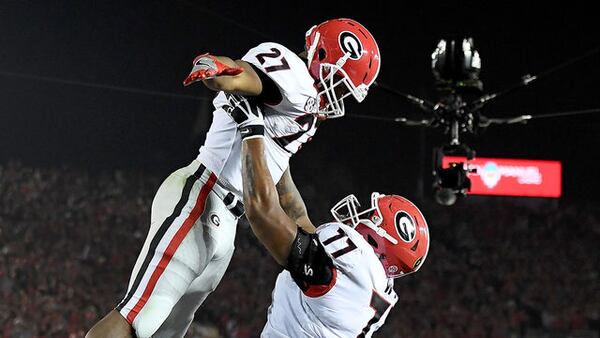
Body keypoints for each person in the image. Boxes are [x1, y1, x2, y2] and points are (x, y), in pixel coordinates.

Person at [86, 18, 381, 338]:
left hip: (226, 221)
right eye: (339, 83)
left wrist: (316, 244)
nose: (339, 95)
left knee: (165, 334)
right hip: (203, 195)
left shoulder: (299, 111)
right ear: (322, 56)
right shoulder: (294, 76)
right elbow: (243, 74)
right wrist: (218, 68)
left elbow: (283, 186)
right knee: (137, 318)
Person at [232, 97, 430, 337]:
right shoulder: (368, 282)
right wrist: (277, 148)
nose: (363, 215)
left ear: (380, 241)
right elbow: (299, 217)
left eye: (372, 216)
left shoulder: (352, 265)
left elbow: (262, 211)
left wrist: (252, 130)